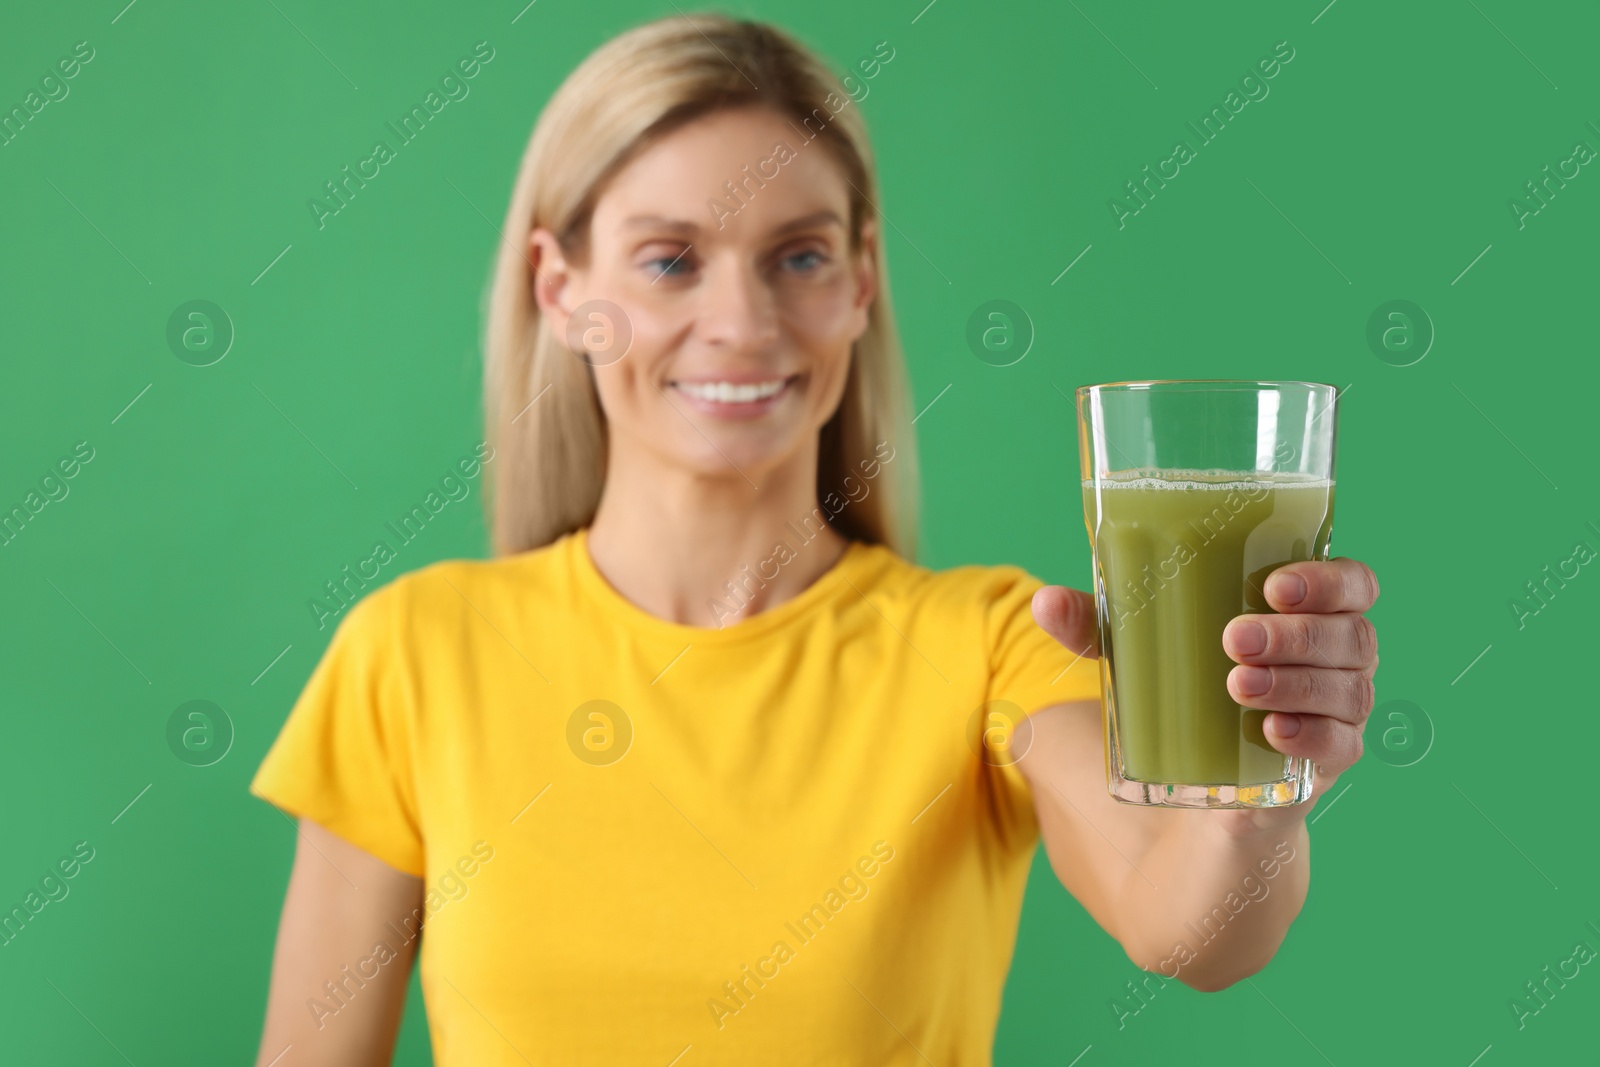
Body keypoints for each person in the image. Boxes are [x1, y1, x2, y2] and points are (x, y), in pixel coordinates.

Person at [249, 13, 1381, 1066]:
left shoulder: (988, 643)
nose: (741, 324)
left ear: (860, 281)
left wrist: (1256, 773)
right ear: (561, 287)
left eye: (797, 255)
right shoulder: (411, 653)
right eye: (668, 259)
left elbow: (1190, 927)